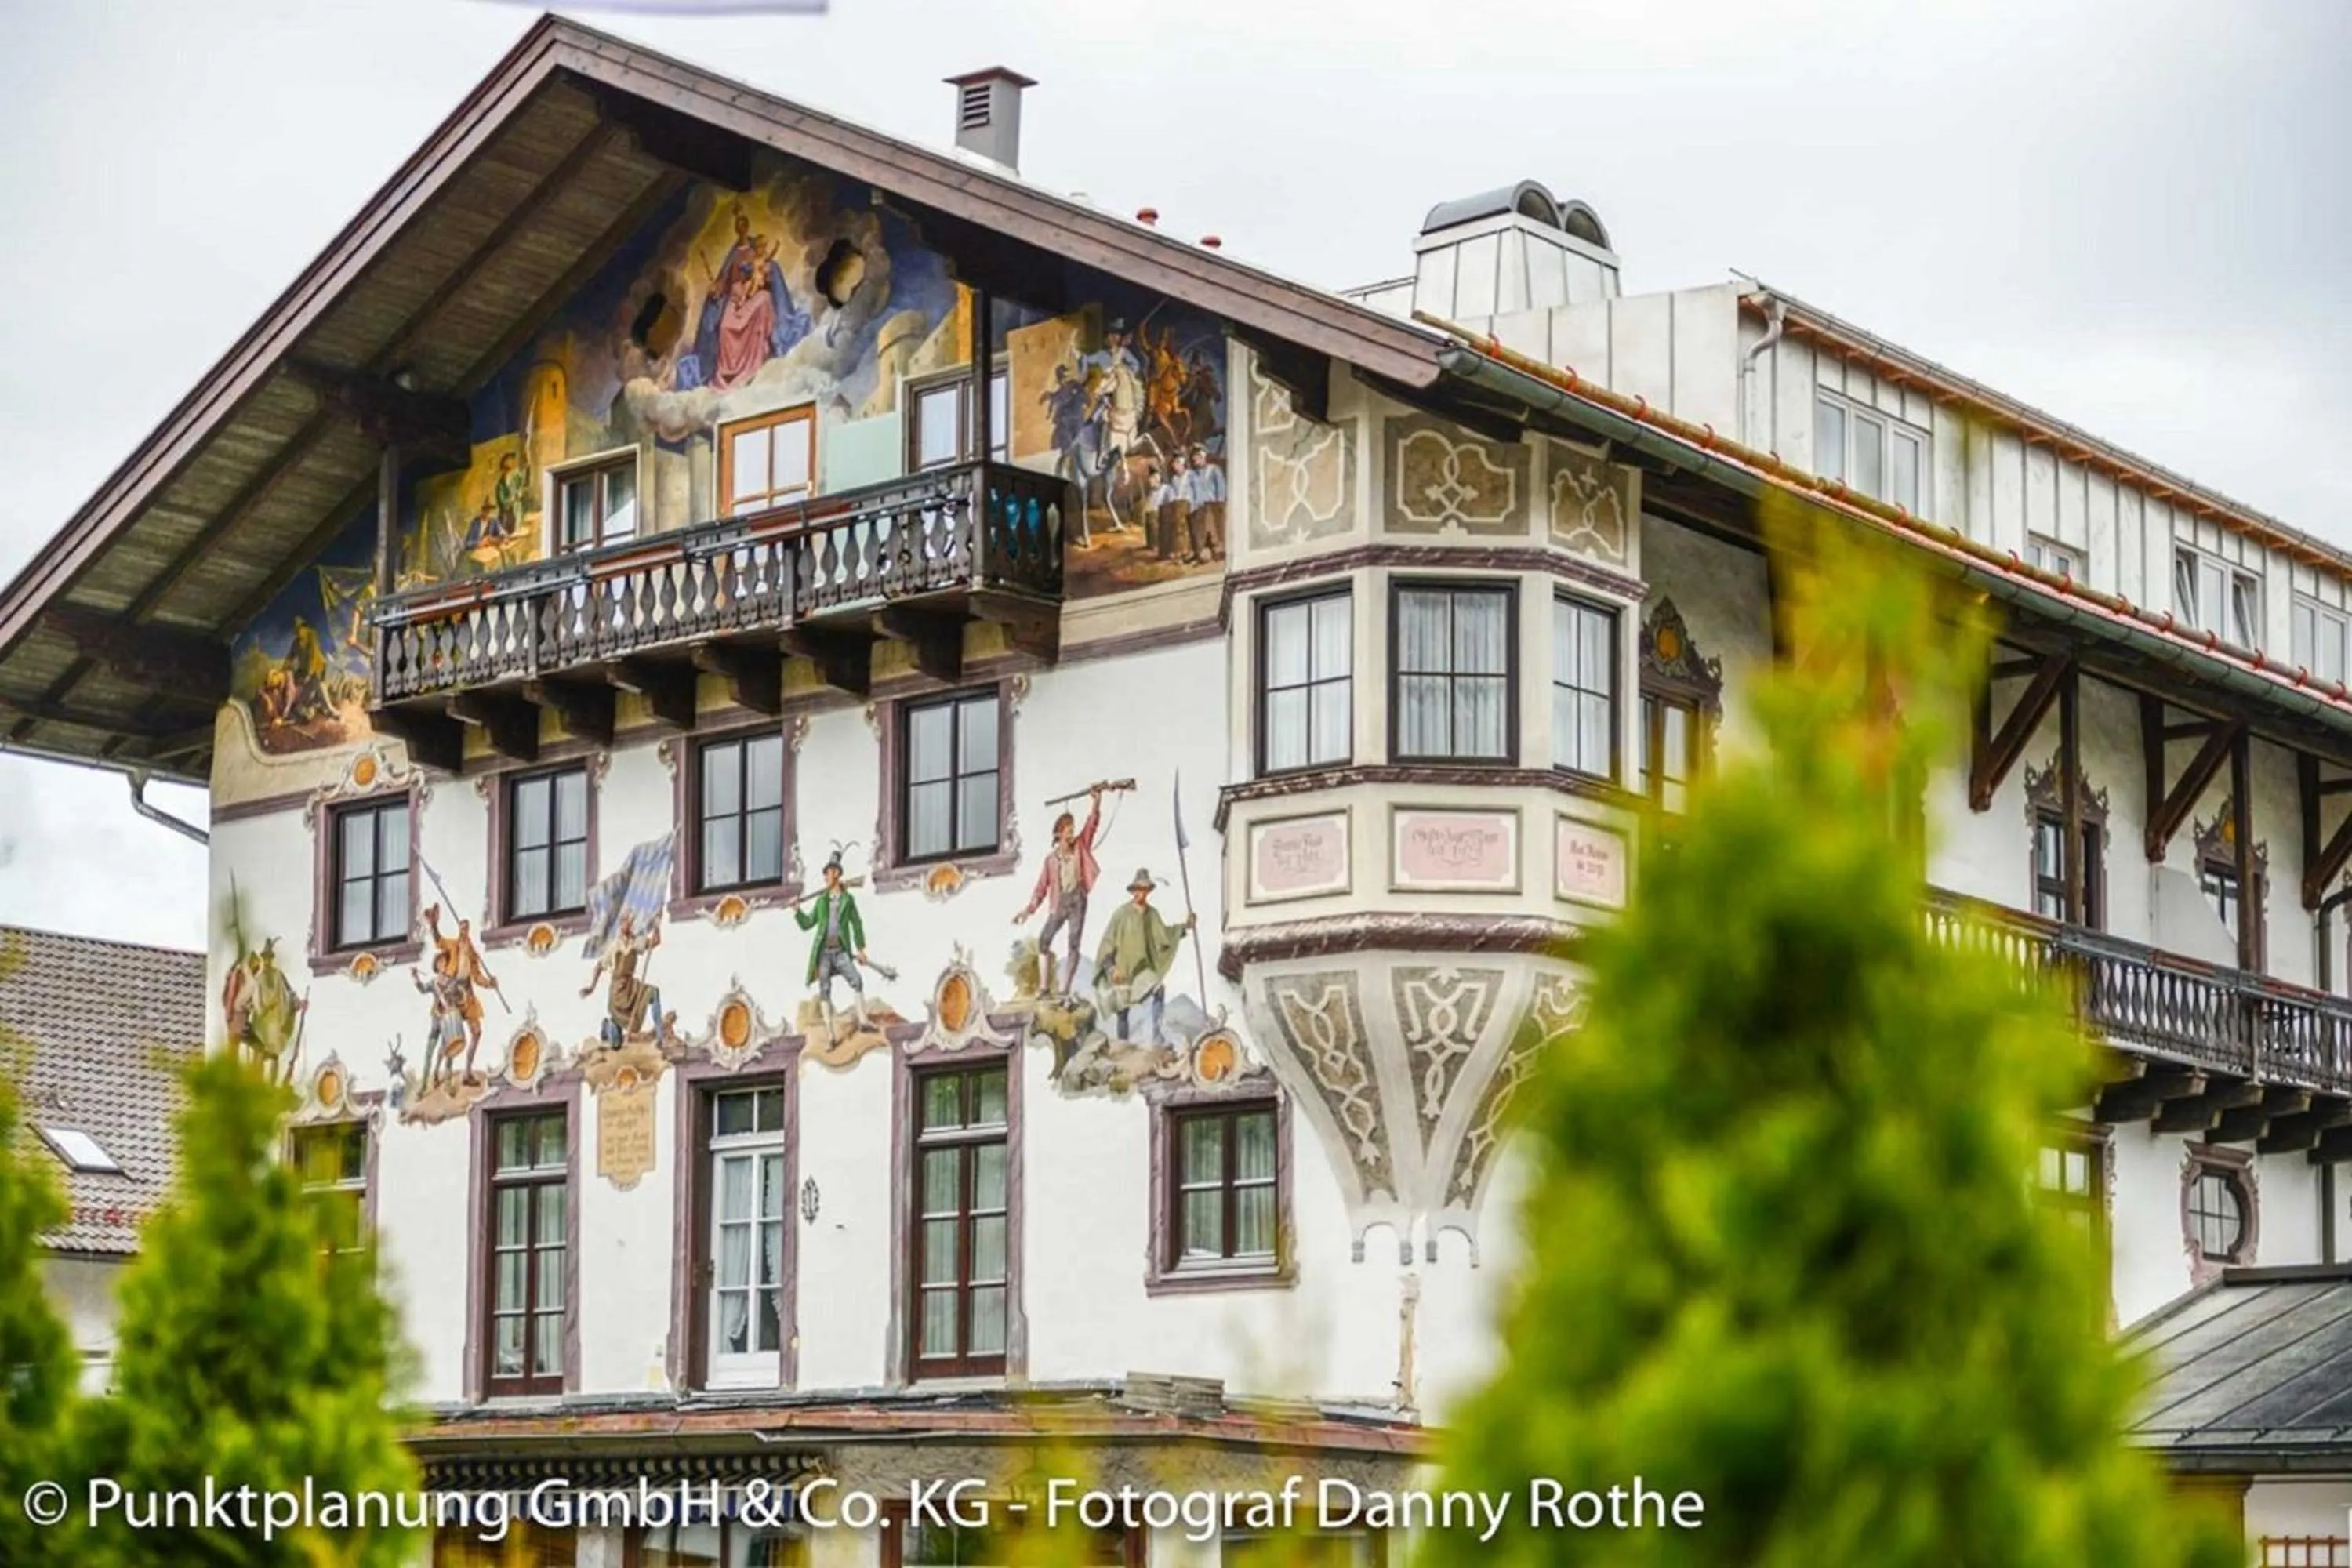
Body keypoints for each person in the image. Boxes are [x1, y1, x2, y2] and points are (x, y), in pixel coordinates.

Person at [1013, 785, 1104, 996]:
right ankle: (1044, 988)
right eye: (1068, 832)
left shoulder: (1080, 846)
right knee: (1044, 940)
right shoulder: (1051, 860)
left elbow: (1092, 824)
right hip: (1059, 903)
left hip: (1078, 900)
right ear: (1059, 834)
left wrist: (1096, 802)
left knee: (1073, 944)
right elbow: (1041, 888)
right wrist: (1028, 910)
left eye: (1073, 831)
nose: (1072, 835)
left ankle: (1064, 990)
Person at [1091, 869, 1194, 1046]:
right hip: (1122, 970)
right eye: (1138, 889)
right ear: (1133, 891)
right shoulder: (1121, 915)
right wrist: (1111, 968)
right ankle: (1123, 1045)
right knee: (1122, 1011)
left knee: (1158, 989)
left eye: (1145, 889)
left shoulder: (1152, 914)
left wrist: (1185, 927)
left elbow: (1164, 936)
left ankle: (1157, 1035)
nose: (1142, 893)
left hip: (1142, 971)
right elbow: (1107, 942)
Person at [796, 852, 871, 1036]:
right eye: (825, 874)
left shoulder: (848, 899)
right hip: (824, 954)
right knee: (825, 990)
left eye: (828, 873)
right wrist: (797, 910)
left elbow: (857, 923)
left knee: (857, 981)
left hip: (840, 951)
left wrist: (861, 949)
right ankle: (830, 1034)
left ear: (836, 873)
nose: (825, 877)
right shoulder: (821, 901)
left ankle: (863, 1021)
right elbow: (808, 924)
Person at [423, 905, 501, 1080]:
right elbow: (439, 941)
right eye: (462, 928)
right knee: (450, 1036)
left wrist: (490, 983)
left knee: (477, 1032)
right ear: (459, 930)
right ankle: (436, 1070)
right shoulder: (453, 946)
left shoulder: (473, 954)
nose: (464, 931)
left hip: (467, 995)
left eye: (466, 928)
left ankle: (467, 1071)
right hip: (451, 994)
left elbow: (477, 977)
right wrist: (434, 925)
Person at [581, 913, 673, 1049]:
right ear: (620, 925)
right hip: (618, 990)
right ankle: (608, 1026)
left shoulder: (636, 943)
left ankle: (660, 1034)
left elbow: (655, 941)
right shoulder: (614, 946)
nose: (627, 924)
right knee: (616, 1045)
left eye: (629, 921)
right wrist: (592, 987)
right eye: (624, 921)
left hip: (631, 987)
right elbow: (600, 966)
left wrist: (657, 926)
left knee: (653, 993)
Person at [1187, 444, 1225, 561]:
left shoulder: (1213, 470)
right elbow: (1190, 493)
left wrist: (1219, 503)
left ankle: (1218, 547)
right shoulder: (1192, 475)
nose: (1195, 460)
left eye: (1198, 456)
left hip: (1213, 507)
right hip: (1199, 509)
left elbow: (1221, 489)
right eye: (1194, 457)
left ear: (1204, 457)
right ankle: (1199, 550)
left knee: (1212, 519)